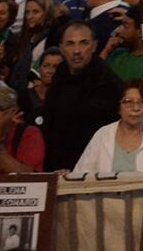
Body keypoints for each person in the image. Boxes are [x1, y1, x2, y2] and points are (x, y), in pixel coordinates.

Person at [41, 19, 124, 172]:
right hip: (57, 169)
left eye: (83, 43)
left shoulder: (108, 83)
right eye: (70, 44)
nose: (76, 51)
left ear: (94, 46)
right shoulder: (60, 74)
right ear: (61, 48)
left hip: (95, 170)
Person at [72, 79, 143, 176]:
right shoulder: (103, 134)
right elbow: (81, 174)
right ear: (119, 107)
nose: (136, 108)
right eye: (128, 102)